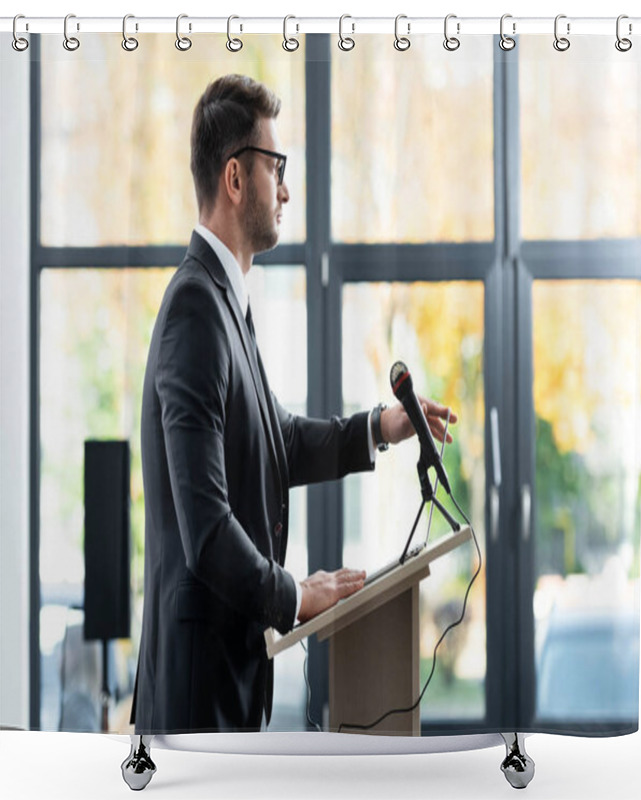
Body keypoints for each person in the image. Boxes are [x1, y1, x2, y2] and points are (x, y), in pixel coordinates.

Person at [130, 74, 455, 734]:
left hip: (225, 681)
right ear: (234, 179)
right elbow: (207, 526)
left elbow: (276, 439)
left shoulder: (226, 305)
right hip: (199, 696)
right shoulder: (197, 308)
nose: (286, 188)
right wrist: (295, 594)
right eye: (276, 167)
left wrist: (382, 427)